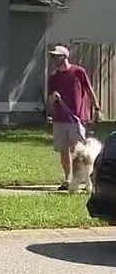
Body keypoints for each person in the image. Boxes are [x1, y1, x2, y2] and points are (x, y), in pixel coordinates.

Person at [47, 45, 100, 190]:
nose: (53, 59)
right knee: (64, 150)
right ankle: (67, 179)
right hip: (59, 119)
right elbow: (50, 99)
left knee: (81, 153)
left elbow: (89, 90)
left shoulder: (78, 72)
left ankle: (85, 180)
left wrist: (96, 108)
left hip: (76, 118)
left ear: (64, 57)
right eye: (52, 56)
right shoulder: (53, 76)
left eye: (56, 56)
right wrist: (54, 97)